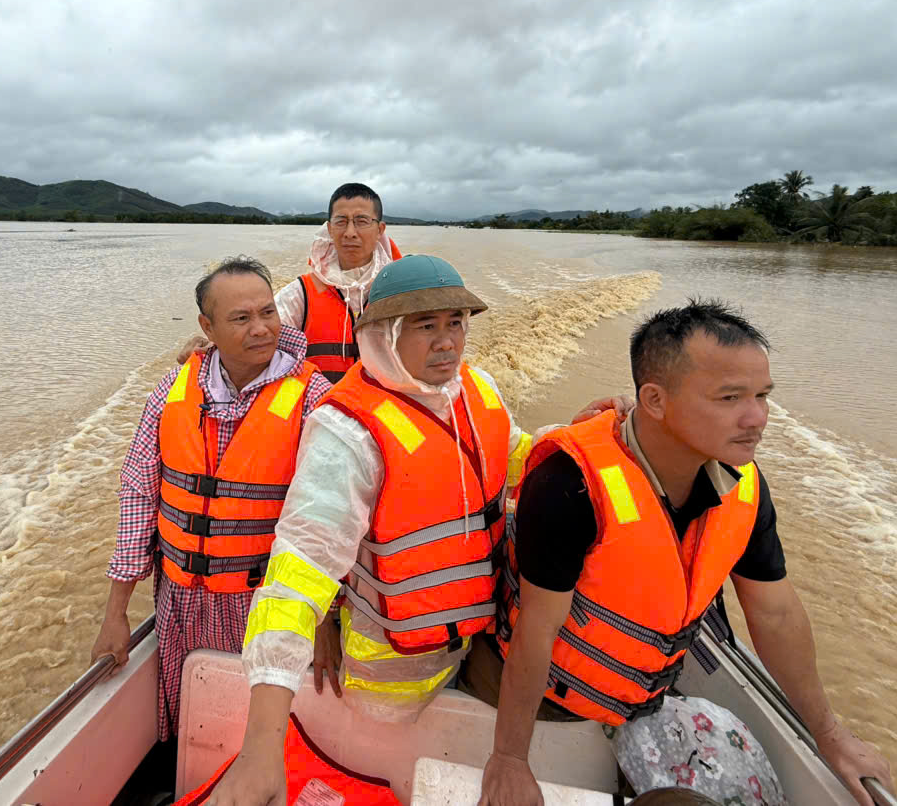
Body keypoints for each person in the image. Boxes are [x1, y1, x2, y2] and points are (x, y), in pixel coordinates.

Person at [203, 256, 617, 806]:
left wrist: (576, 439)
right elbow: (295, 578)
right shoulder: (347, 432)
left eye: (456, 323)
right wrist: (261, 751)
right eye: (425, 326)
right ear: (380, 334)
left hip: (477, 637)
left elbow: (510, 456)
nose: (447, 342)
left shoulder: (476, 389)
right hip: (389, 680)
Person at [477, 300, 896, 806]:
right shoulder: (570, 484)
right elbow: (535, 633)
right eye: (729, 397)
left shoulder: (742, 486)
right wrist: (510, 760)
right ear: (654, 400)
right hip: (542, 698)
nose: (756, 417)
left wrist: (831, 737)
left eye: (762, 395)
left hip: (643, 698)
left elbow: (776, 613)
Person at [91, 256, 335, 744]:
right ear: (207, 326)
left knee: (263, 736)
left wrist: (325, 621)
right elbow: (140, 494)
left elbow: (326, 523)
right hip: (180, 603)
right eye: (241, 319)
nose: (261, 328)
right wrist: (115, 613)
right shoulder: (172, 392)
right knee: (192, 732)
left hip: (269, 606)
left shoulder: (314, 399)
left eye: (268, 312)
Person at [178, 182, 401, 382]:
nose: (350, 232)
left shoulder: (402, 289)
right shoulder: (301, 294)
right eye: (341, 222)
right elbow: (256, 333)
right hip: (319, 411)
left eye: (361, 221)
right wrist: (212, 346)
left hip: (383, 412)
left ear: (380, 229)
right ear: (330, 228)